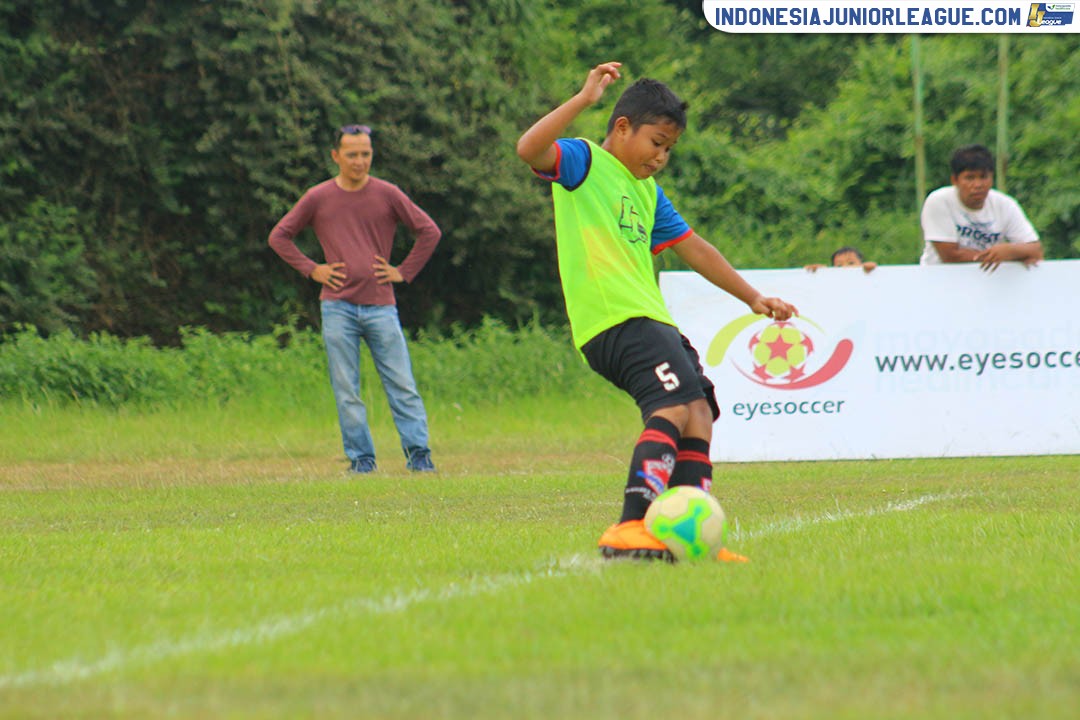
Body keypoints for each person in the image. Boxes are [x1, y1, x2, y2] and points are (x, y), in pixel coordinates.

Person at [516, 62, 798, 562]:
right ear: (622, 128)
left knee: (699, 411)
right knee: (669, 403)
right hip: (613, 318)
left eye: (670, 148)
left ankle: (691, 537)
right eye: (656, 142)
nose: (662, 156)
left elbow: (695, 247)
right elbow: (529, 149)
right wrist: (583, 101)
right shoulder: (584, 163)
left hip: (649, 317)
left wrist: (752, 298)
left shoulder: (648, 193)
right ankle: (629, 527)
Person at [269, 124, 440, 474]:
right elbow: (280, 236)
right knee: (346, 388)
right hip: (337, 307)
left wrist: (403, 271)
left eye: (365, 154)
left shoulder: (387, 193)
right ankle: (362, 460)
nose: (360, 161)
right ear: (336, 156)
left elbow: (429, 231)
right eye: (352, 154)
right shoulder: (318, 197)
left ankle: (419, 455)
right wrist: (312, 269)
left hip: (381, 305)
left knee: (402, 384)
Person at [919, 144, 1043, 271]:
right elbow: (950, 256)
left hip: (989, 280)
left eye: (983, 177)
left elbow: (1036, 250)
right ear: (955, 180)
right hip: (941, 279)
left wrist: (1009, 250)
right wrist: (1005, 255)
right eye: (970, 178)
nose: (978, 185)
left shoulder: (1005, 204)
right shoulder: (939, 201)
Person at [805, 246, 877, 273]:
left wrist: (866, 268)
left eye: (851, 263)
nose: (845, 267)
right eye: (839, 265)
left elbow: (872, 265)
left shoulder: (864, 271)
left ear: (861, 263)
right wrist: (821, 271)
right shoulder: (835, 279)